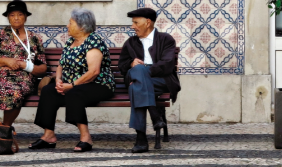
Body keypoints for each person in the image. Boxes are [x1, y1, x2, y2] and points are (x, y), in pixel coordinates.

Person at [30, 8, 115, 152]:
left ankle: (85, 137)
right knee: (48, 91)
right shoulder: (70, 41)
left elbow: (93, 72)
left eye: (70, 23)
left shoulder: (93, 41)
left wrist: (72, 85)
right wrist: (58, 80)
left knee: (74, 93)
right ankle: (48, 135)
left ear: (82, 26)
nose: (67, 26)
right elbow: (61, 65)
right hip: (72, 85)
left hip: (98, 85)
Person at [118, 8, 181, 153]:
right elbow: (122, 66)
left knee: (137, 85)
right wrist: (130, 64)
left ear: (147, 22)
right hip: (136, 78)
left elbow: (167, 64)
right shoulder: (130, 42)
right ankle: (154, 115)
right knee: (137, 80)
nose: (132, 26)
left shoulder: (166, 39)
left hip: (161, 80)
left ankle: (141, 140)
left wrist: (143, 70)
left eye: (135, 22)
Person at [0, 0, 48, 128]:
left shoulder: (34, 39)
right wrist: (6, 61)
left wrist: (24, 65)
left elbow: (42, 68)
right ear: (8, 17)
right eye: (12, 15)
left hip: (21, 78)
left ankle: (5, 129)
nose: (16, 18)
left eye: (20, 14)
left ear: (26, 17)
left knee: (15, 91)